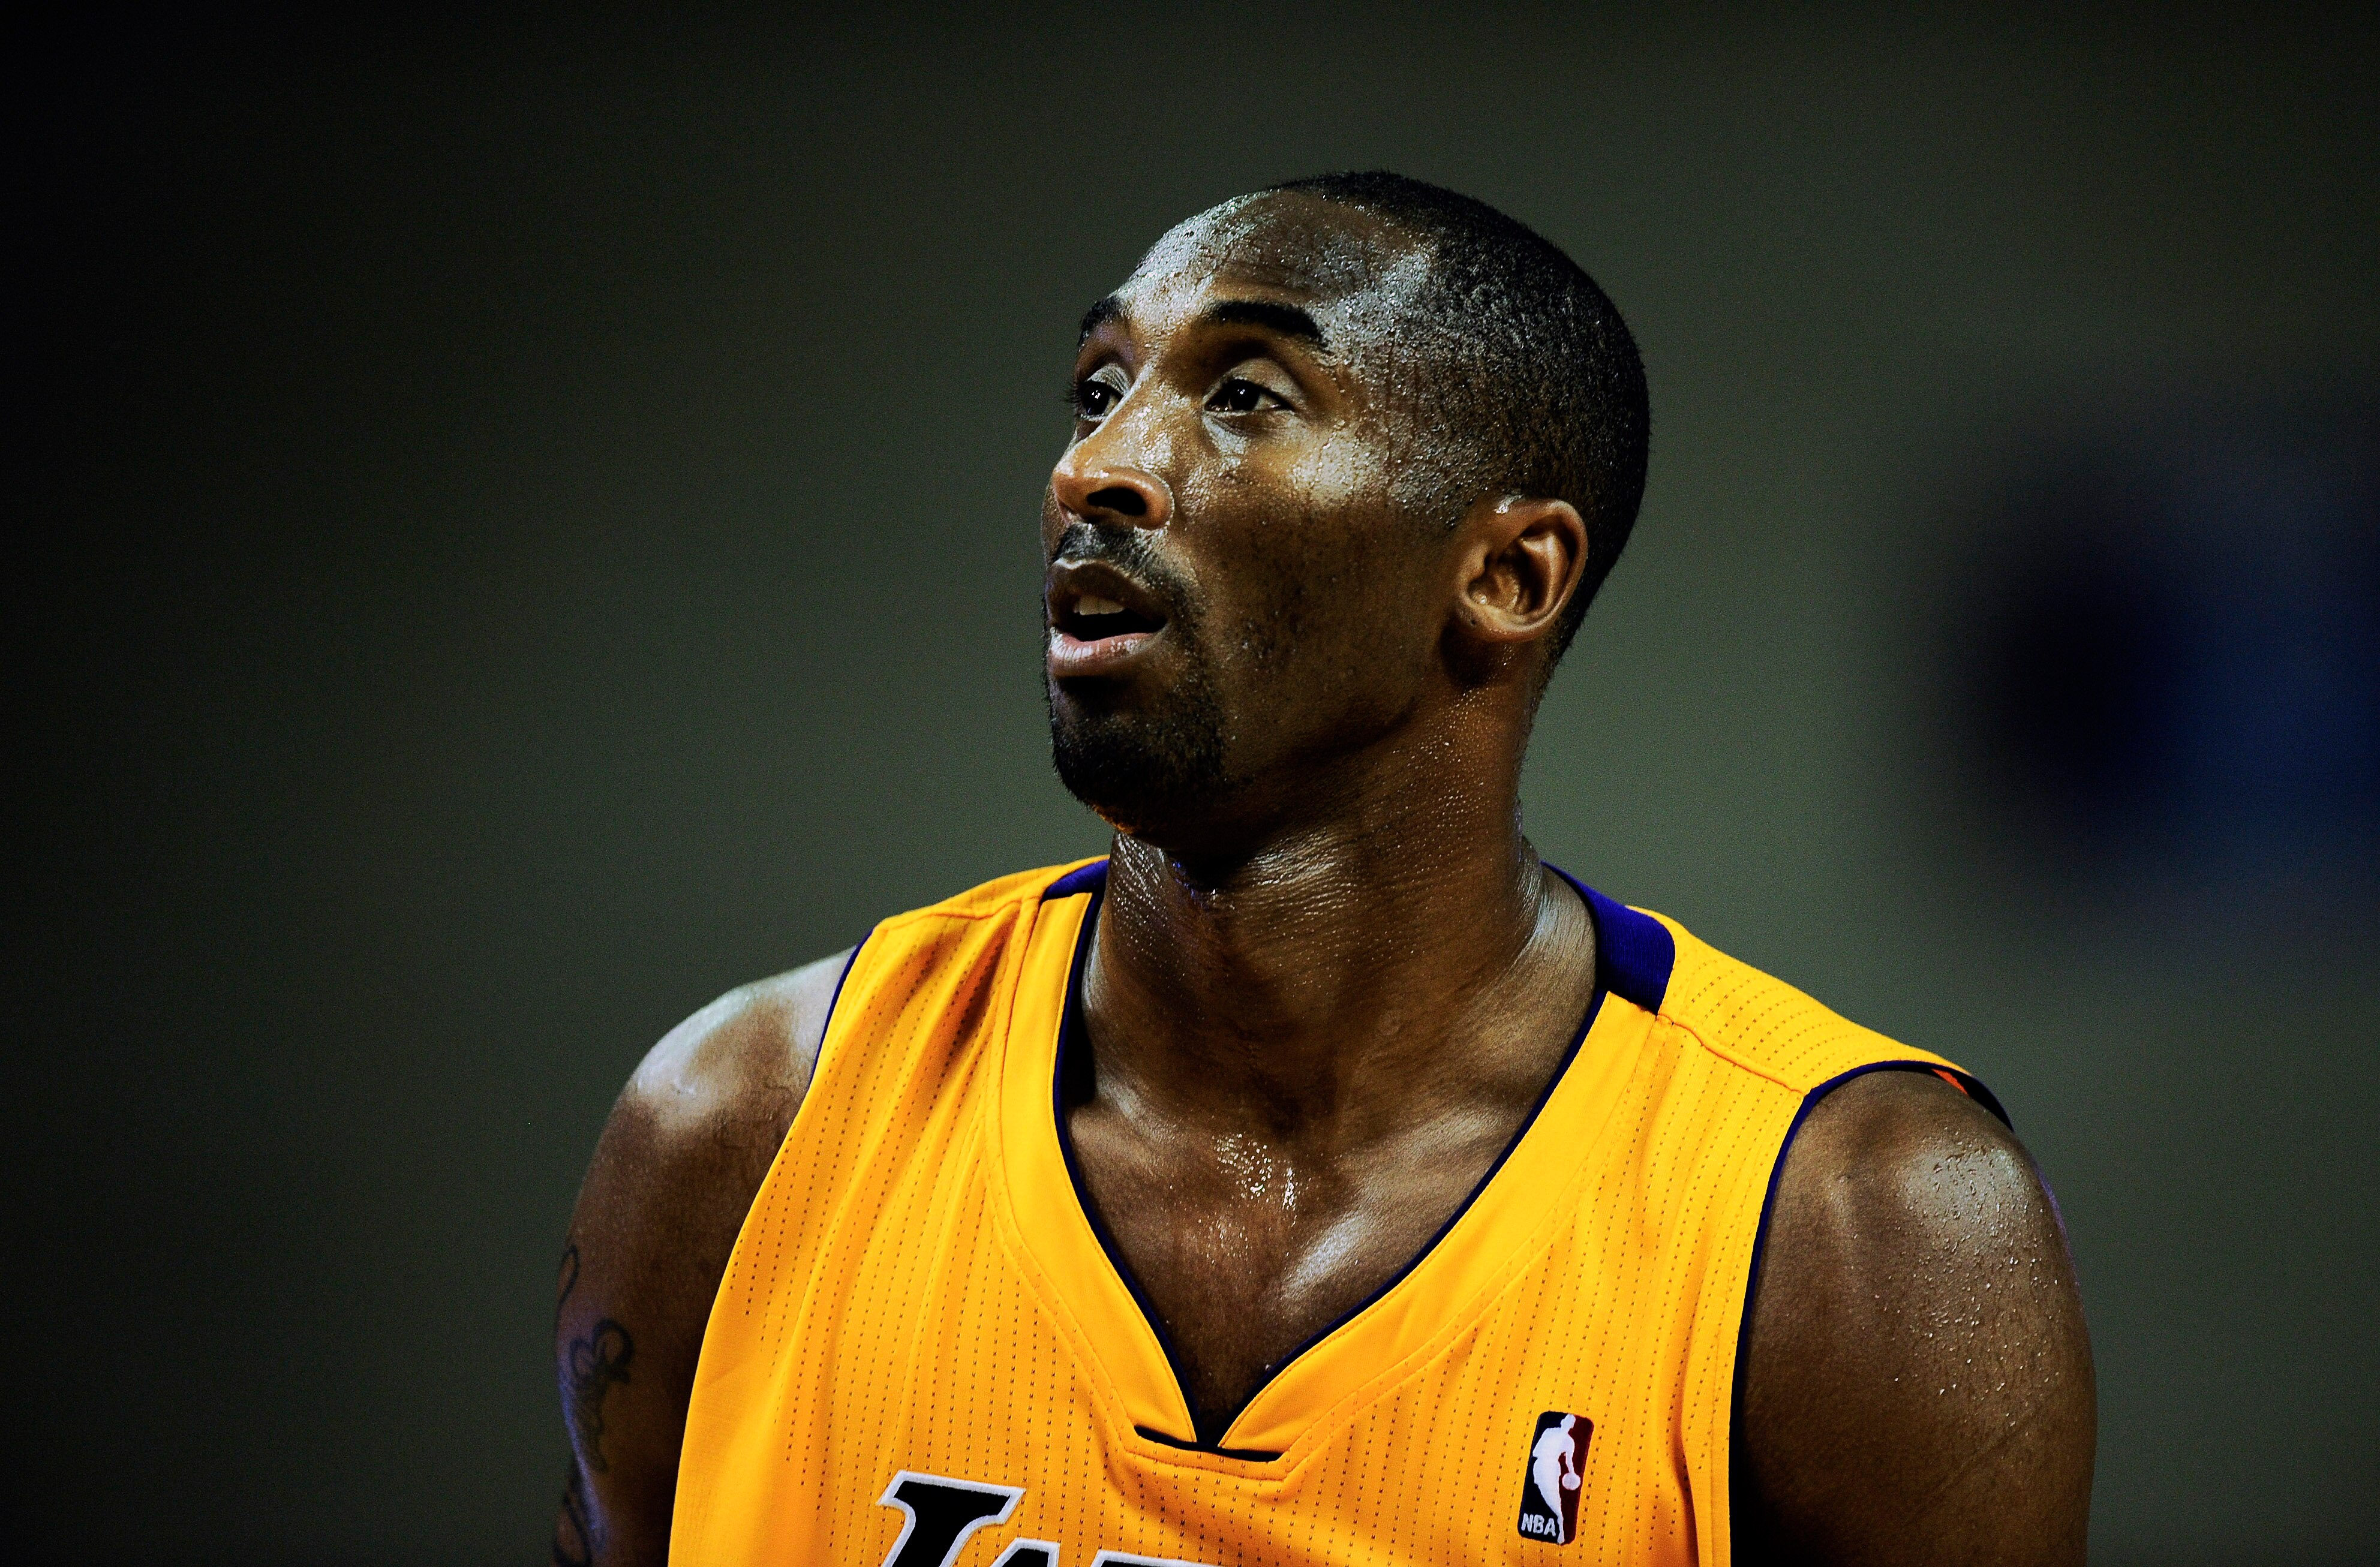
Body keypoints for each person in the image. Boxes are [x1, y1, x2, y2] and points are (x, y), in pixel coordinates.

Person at [554, 172, 2093, 1566]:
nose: (1099, 465)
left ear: (1505, 575)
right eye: (1096, 386)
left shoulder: (1857, 1224)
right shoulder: (751, 1120)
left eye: (1242, 394)